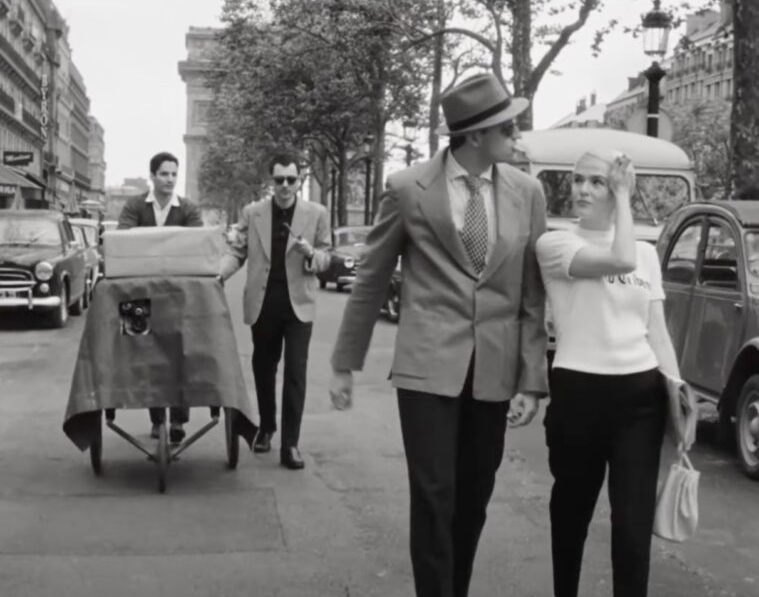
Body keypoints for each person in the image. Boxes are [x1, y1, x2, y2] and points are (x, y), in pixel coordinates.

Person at [329, 73, 548, 597]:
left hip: (494, 367)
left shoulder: (527, 192)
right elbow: (371, 279)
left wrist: (531, 379)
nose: (517, 136)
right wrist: (344, 364)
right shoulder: (409, 189)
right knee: (433, 493)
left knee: (473, 495)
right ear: (474, 135)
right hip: (426, 365)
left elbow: (532, 294)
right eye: (507, 128)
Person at [535, 150, 682, 597]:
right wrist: (622, 195)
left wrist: (678, 394)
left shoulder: (647, 254)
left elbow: (656, 332)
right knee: (571, 515)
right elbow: (620, 260)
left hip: (640, 397)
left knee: (633, 528)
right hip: (578, 394)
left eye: (597, 181)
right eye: (578, 179)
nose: (582, 189)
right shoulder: (556, 245)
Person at [219, 154, 330, 470]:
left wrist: (311, 254)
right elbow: (237, 251)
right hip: (263, 304)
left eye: (291, 180)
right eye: (279, 180)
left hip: (299, 307)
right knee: (264, 369)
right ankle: (267, 427)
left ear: (299, 181)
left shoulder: (316, 213)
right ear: (272, 181)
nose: (285, 186)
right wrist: (217, 275)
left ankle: (291, 444)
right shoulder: (253, 213)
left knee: (295, 373)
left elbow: (327, 257)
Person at [117, 151, 203, 443]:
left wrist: (148, 247)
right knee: (146, 357)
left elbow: (195, 247)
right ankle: (157, 420)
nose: (170, 179)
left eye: (174, 174)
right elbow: (123, 243)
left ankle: (178, 420)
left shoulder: (189, 208)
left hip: (178, 295)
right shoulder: (134, 205)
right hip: (138, 294)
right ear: (152, 176)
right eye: (164, 174)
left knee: (181, 355)